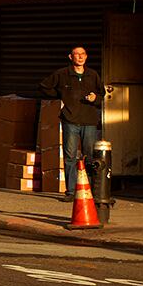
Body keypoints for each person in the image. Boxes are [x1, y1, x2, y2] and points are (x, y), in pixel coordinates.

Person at [40, 42, 105, 212]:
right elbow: (44, 86)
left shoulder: (92, 75)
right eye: (77, 54)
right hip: (70, 120)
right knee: (70, 157)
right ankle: (70, 191)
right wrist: (60, 95)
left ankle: (89, 190)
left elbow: (102, 94)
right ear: (71, 57)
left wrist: (95, 98)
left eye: (83, 54)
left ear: (86, 56)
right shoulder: (62, 74)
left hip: (89, 121)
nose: (80, 57)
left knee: (89, 157)